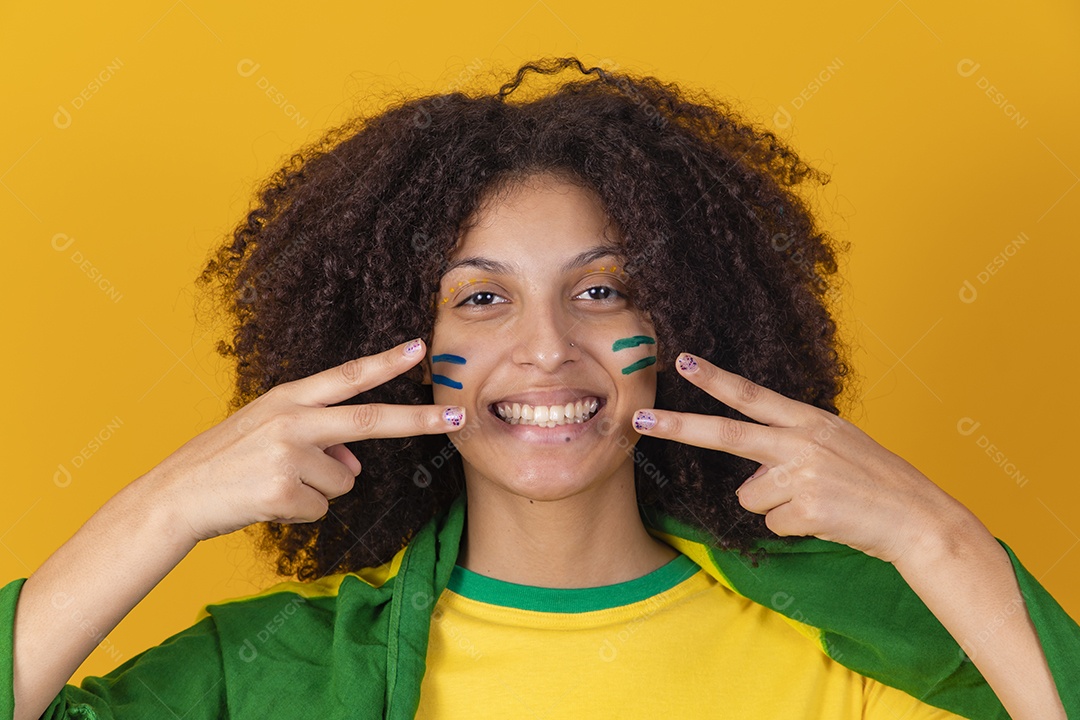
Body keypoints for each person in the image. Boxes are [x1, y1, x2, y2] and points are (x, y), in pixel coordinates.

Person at [4, 56, 1077, 719]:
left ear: (678, 321)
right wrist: (166, 505)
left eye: (601, 291)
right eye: (480, 299)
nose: (547, 348)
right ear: (396, 345)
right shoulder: (271, 675)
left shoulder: (858, 649)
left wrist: (938, 538)